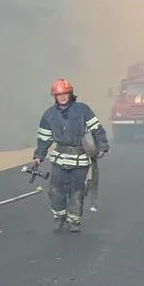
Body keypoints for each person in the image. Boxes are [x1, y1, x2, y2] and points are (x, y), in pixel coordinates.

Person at [30, 78, 109, 232]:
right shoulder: (49, 115)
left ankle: (74, 221)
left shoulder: (83, 110)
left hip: (80, 159)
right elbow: (44, 138)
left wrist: (102, 146)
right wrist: (39, 155)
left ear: (70, 94)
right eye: (59, 95)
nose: (62, 97)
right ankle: (59, 217)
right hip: (60, 159)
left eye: (65, 94)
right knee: (55, 191)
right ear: (55, 96)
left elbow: (96, 129)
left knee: (77, 190)